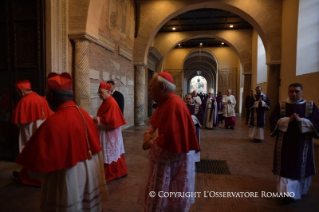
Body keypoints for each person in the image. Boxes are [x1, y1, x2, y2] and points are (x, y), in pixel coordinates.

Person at [15, 72, 108, 211]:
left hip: (66, 179)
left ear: (51, 97)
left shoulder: (52, 122)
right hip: (88, 177)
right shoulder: (85, 115)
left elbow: (37, 170)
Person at [138, 72, 199, 212]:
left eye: (151, 86)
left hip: (170, 166)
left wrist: (151, 141)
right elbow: (155, 123)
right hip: (162, 162)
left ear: (162, 87)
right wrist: (148, 133)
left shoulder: (174, 105)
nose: (148, 89)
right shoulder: (164, 102)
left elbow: (173, 143)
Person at [269, 83, 319, 200]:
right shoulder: (281, 105)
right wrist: (288, 120)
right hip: (284, 143)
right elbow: (273, 119)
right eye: (291, 91)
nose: (294, 94)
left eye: (297, 91)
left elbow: (317, 122)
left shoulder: (310, 106)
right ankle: (285, 193)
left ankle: (297, 191)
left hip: (303, 144)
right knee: (286, 165)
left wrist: (301, 120)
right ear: (288, 92)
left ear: (302, 92)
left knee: (299, 164)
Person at [11, 80, 53, 187]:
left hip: (29, 132)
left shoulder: (24, 101)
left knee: (30, 152)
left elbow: (18, 122)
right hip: (42, 133)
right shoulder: (41, 99)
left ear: (22, 91)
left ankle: (31, 178)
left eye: (18, 92)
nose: (18, 94)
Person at [93, 81, 128, 182]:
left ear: (108, 92)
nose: (99, 95)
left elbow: (111, 120)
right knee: (111, 152)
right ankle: (118, 172)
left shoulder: (111, 103)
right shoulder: (106, 101)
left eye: (101, 92)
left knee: (110, 152)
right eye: (98, 92)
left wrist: (97, 119)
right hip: (106, 131)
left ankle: (113, 173)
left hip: (110, 132)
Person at [185, 93, 204, 162]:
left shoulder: (198, 107)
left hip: (194, 128)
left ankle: (195, 159)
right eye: (186, 99)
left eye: (189, 99)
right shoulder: (183, 106)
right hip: (185, 128)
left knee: (194, 141)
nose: (188, 100)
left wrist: (194, 119)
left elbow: (201, 116)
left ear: (192, 99)